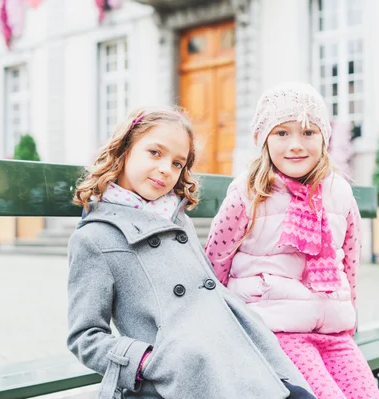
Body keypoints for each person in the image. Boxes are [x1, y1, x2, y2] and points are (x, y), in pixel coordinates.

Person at [67, 106, 316, 399]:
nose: (165, 169)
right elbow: (85, 336)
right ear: (124, 150)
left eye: (177, 163)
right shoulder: (94, 238)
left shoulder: (175, 216)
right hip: (182, 376)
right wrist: (146, 361)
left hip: (236, 351)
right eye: (155, 153)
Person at [205, 83, 379, 399]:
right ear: (263, 140)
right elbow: (217, 260)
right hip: (276, 330)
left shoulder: (338, 191)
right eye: (282, 133)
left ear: (324, 139)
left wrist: (349, 316)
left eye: (308, 133)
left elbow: (350, 260)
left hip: (333, 330)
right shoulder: (248, 194)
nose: (296, 145)